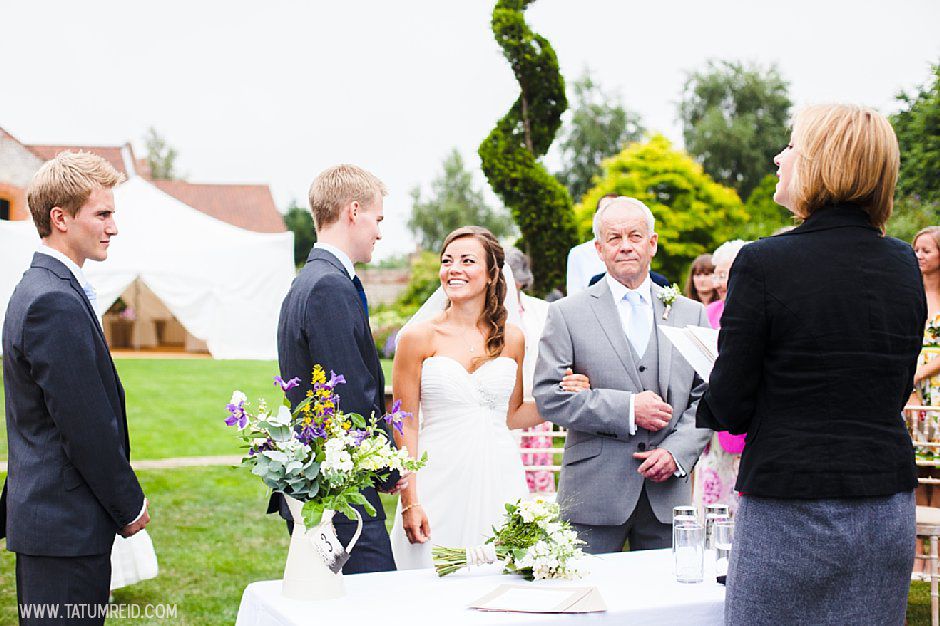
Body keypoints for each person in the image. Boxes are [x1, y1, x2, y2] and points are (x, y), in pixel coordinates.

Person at [697, 104, 924, 625]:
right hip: (884, 502)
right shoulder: (904, 265)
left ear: (824, 162)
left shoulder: (763, 262)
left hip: (790, 504)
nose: (780, 157)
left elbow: (729, 405)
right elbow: (891, 386)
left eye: (792, 146)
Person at [2, 152, 150, 623]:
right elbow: (85, 425)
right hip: (63, 525)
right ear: (60, 218)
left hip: (56, 522)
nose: (113, 227)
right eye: (102, 214)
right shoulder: (52, 300)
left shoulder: (44, 287)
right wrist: (129, 505)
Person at [390, 227, 590, 569]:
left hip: (499, 474)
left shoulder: (513, 339)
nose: (454, 269)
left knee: (502, 572)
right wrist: (410, 500)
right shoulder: (417, 337)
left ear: (492, 274)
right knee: (429, 575)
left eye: (467, 261)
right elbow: (404, 424)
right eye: (447, 261)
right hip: (437, 478)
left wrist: (563, 398)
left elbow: (512, 415)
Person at [535, 196, 712, 554]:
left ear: (652, 244)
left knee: (667, 590)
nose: (626, 246)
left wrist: (677, 452)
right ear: (599, 249)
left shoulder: (689, 313)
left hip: (667, 496)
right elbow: (549, 395)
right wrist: (628, 410)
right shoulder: (567, 313)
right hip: (593, 495)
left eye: (635, 235)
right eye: (614, 238)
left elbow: (709, 394)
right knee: (585, 588)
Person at [273, 164, 403, 574]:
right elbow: (349, 394)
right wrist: (386, 468)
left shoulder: (306, 281)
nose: (379, 233)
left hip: (323, 484)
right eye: (377, 219)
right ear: (353, 211)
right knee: (375, 597)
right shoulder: (329, 286)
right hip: (340, 495)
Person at [505, 247, 554, 493]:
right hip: (501, 406)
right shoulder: (487, 314)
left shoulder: (542, 310)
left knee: (536, 484)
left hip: (533, 406)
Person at [705, 239, 748, 329]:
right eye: (715, 276)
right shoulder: (711, 311)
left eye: (722, 276)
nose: (716, 285)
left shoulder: (762, 311)